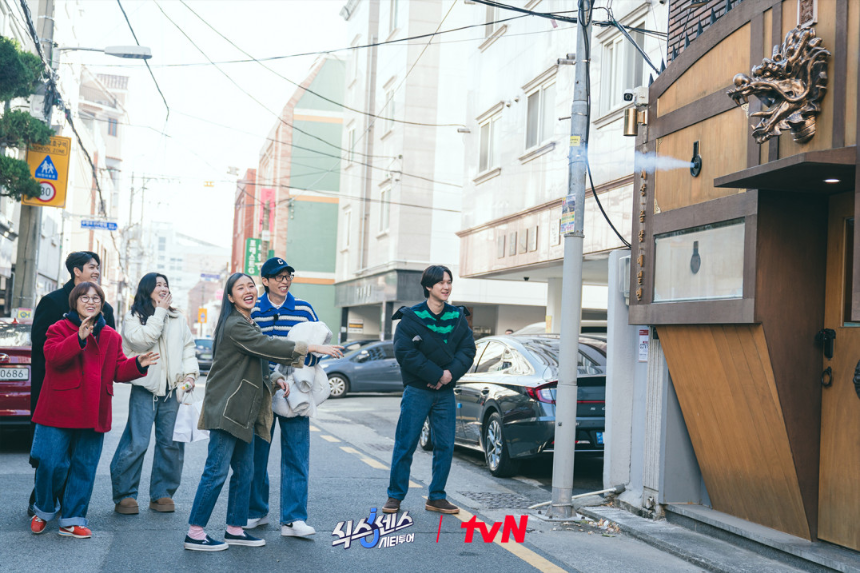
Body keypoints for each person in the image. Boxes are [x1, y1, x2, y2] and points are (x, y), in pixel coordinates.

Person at [184, 273, 343, 552]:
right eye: (240, 288)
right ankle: (195, 532)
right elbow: (267, 347)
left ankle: (235, 528)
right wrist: (311, 347)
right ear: (230, 297)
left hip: (245, 411)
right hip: (226, 409)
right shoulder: (234, 325)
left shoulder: (249, 323)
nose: (248, 291)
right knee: (216, 472)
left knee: (245, 471)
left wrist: (274, 379)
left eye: (250, 286)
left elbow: (256, 360)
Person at [28, 282, 157, 538]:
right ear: (74, 302)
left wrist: (138, 364)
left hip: (93, 410)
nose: (91, 302)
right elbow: (53, 357)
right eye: (85, 297)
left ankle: (72, 520)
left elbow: (118, 370)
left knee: (84, 467)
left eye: (96, 298)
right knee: (50, 464)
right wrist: (78, 338)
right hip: (58, 408)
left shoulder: (111, 335)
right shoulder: (58, 328)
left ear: (102, 304)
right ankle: (43, 510)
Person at [383, 265, 476, 515]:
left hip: (445, 392)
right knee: (406, 443)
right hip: (417, 390)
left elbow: (467, 350)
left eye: (449, 282)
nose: (446, 287)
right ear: (428, 286)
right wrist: (436, 374)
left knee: (445, 445)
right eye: (441, 283)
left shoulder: (457, 316)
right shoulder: (411, 317)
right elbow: (404, 353)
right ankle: (395, 496)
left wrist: (448, 375)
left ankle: (436, 497)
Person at [28, 252, 116, 515]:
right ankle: (42, 503)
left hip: (90, 396)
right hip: (56, 388)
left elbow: (110, 354)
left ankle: (71, 513)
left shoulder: (107, 311)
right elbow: (41, 346)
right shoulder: (52, 301)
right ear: (77, 271)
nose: (97, 271)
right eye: (92, 267)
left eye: (98, 267)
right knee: (51, 458)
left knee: (82, 460)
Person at [110, 273, 199, 515]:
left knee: (171, 444)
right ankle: (125, 494)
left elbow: (188, 349)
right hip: (144, 388)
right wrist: (159, 312)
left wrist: (190, 374)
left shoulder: (178, 318)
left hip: (173, 389)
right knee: (137, 442)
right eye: (158, 284)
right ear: (147, 289)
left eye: (165, 284)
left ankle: (162, 494)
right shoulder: (134, 317)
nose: (163, 288)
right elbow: (141, 342)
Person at [244, 257, 321, 538]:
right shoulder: (254, 309)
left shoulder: (304, 309)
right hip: (262, 391)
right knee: (256, 454)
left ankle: (293, 519)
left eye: (288, 276)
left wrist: (297, 367)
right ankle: (256, 511)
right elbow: (249, 349)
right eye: (278, 276)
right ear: (265, 281)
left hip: (296, 392)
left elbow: (318, 346)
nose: (285, 281)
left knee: (296, 454)